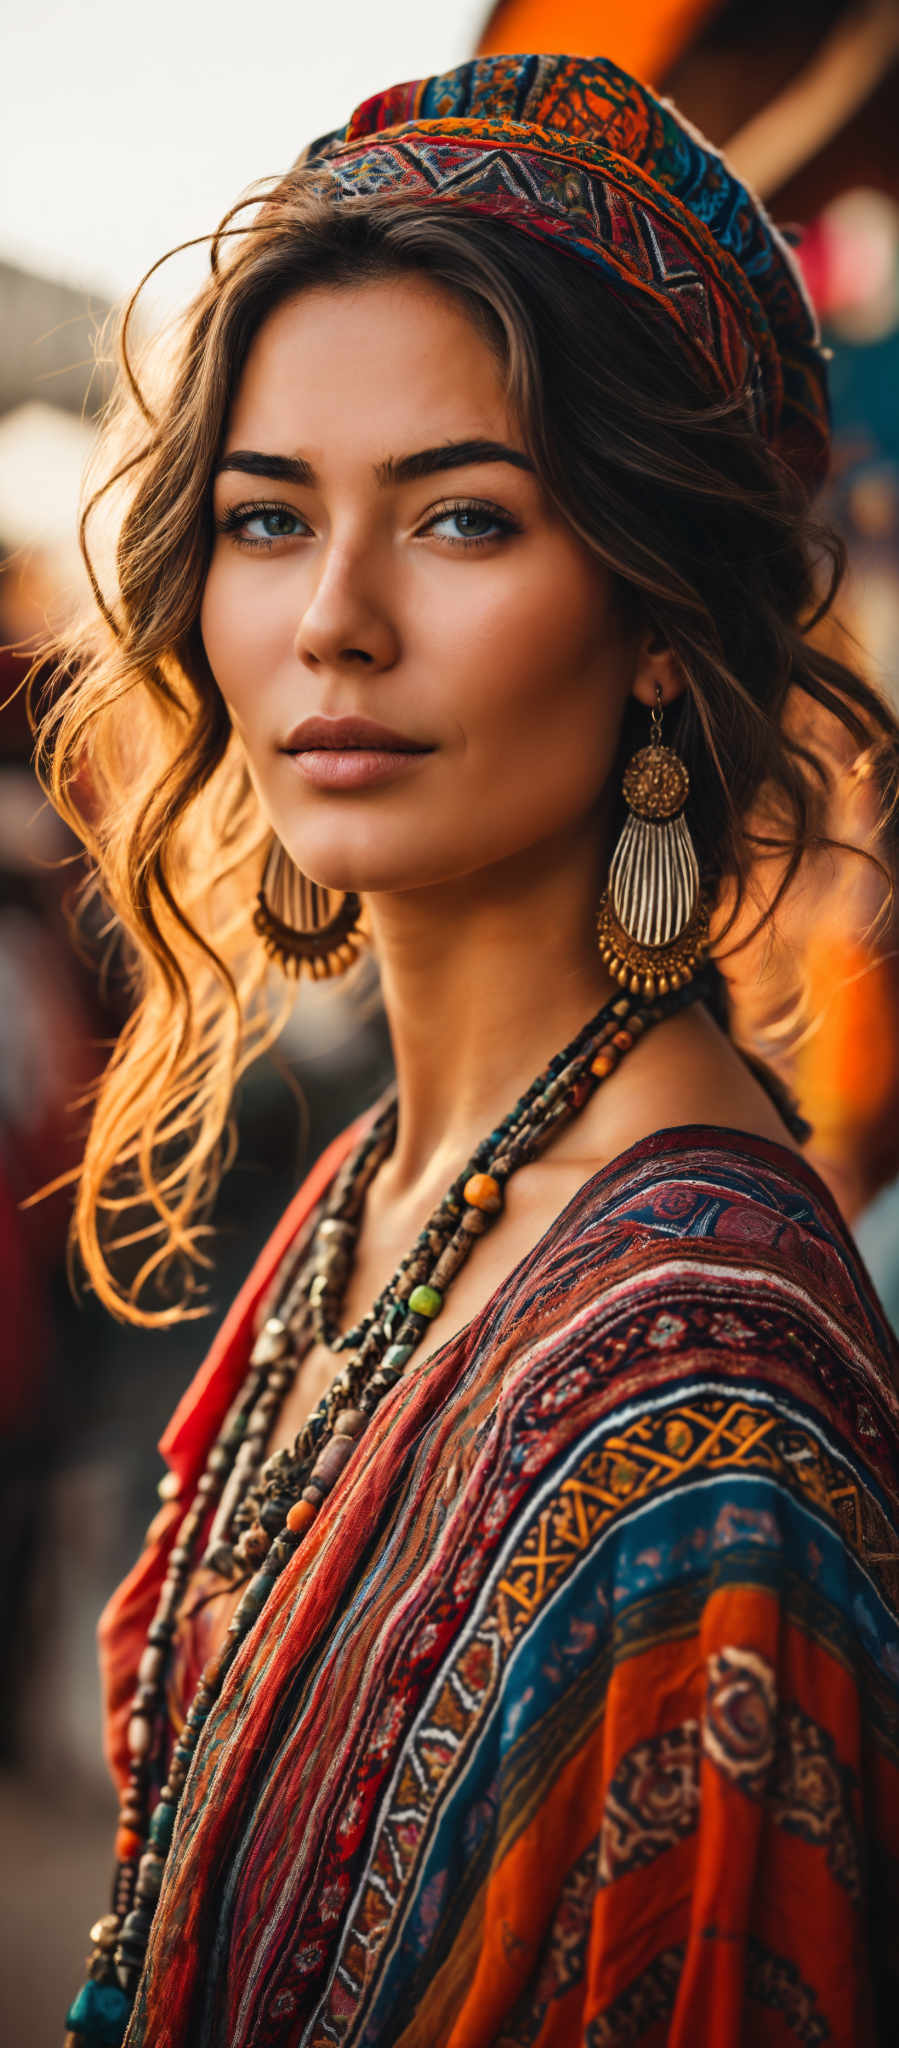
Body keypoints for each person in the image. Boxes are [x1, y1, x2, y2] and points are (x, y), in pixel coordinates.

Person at [42, 52, 899, 2048]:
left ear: (662, 613)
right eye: (267, 521)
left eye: (463, 520)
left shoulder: (706, 1383)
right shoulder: (404, 1180)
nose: (333, 618)